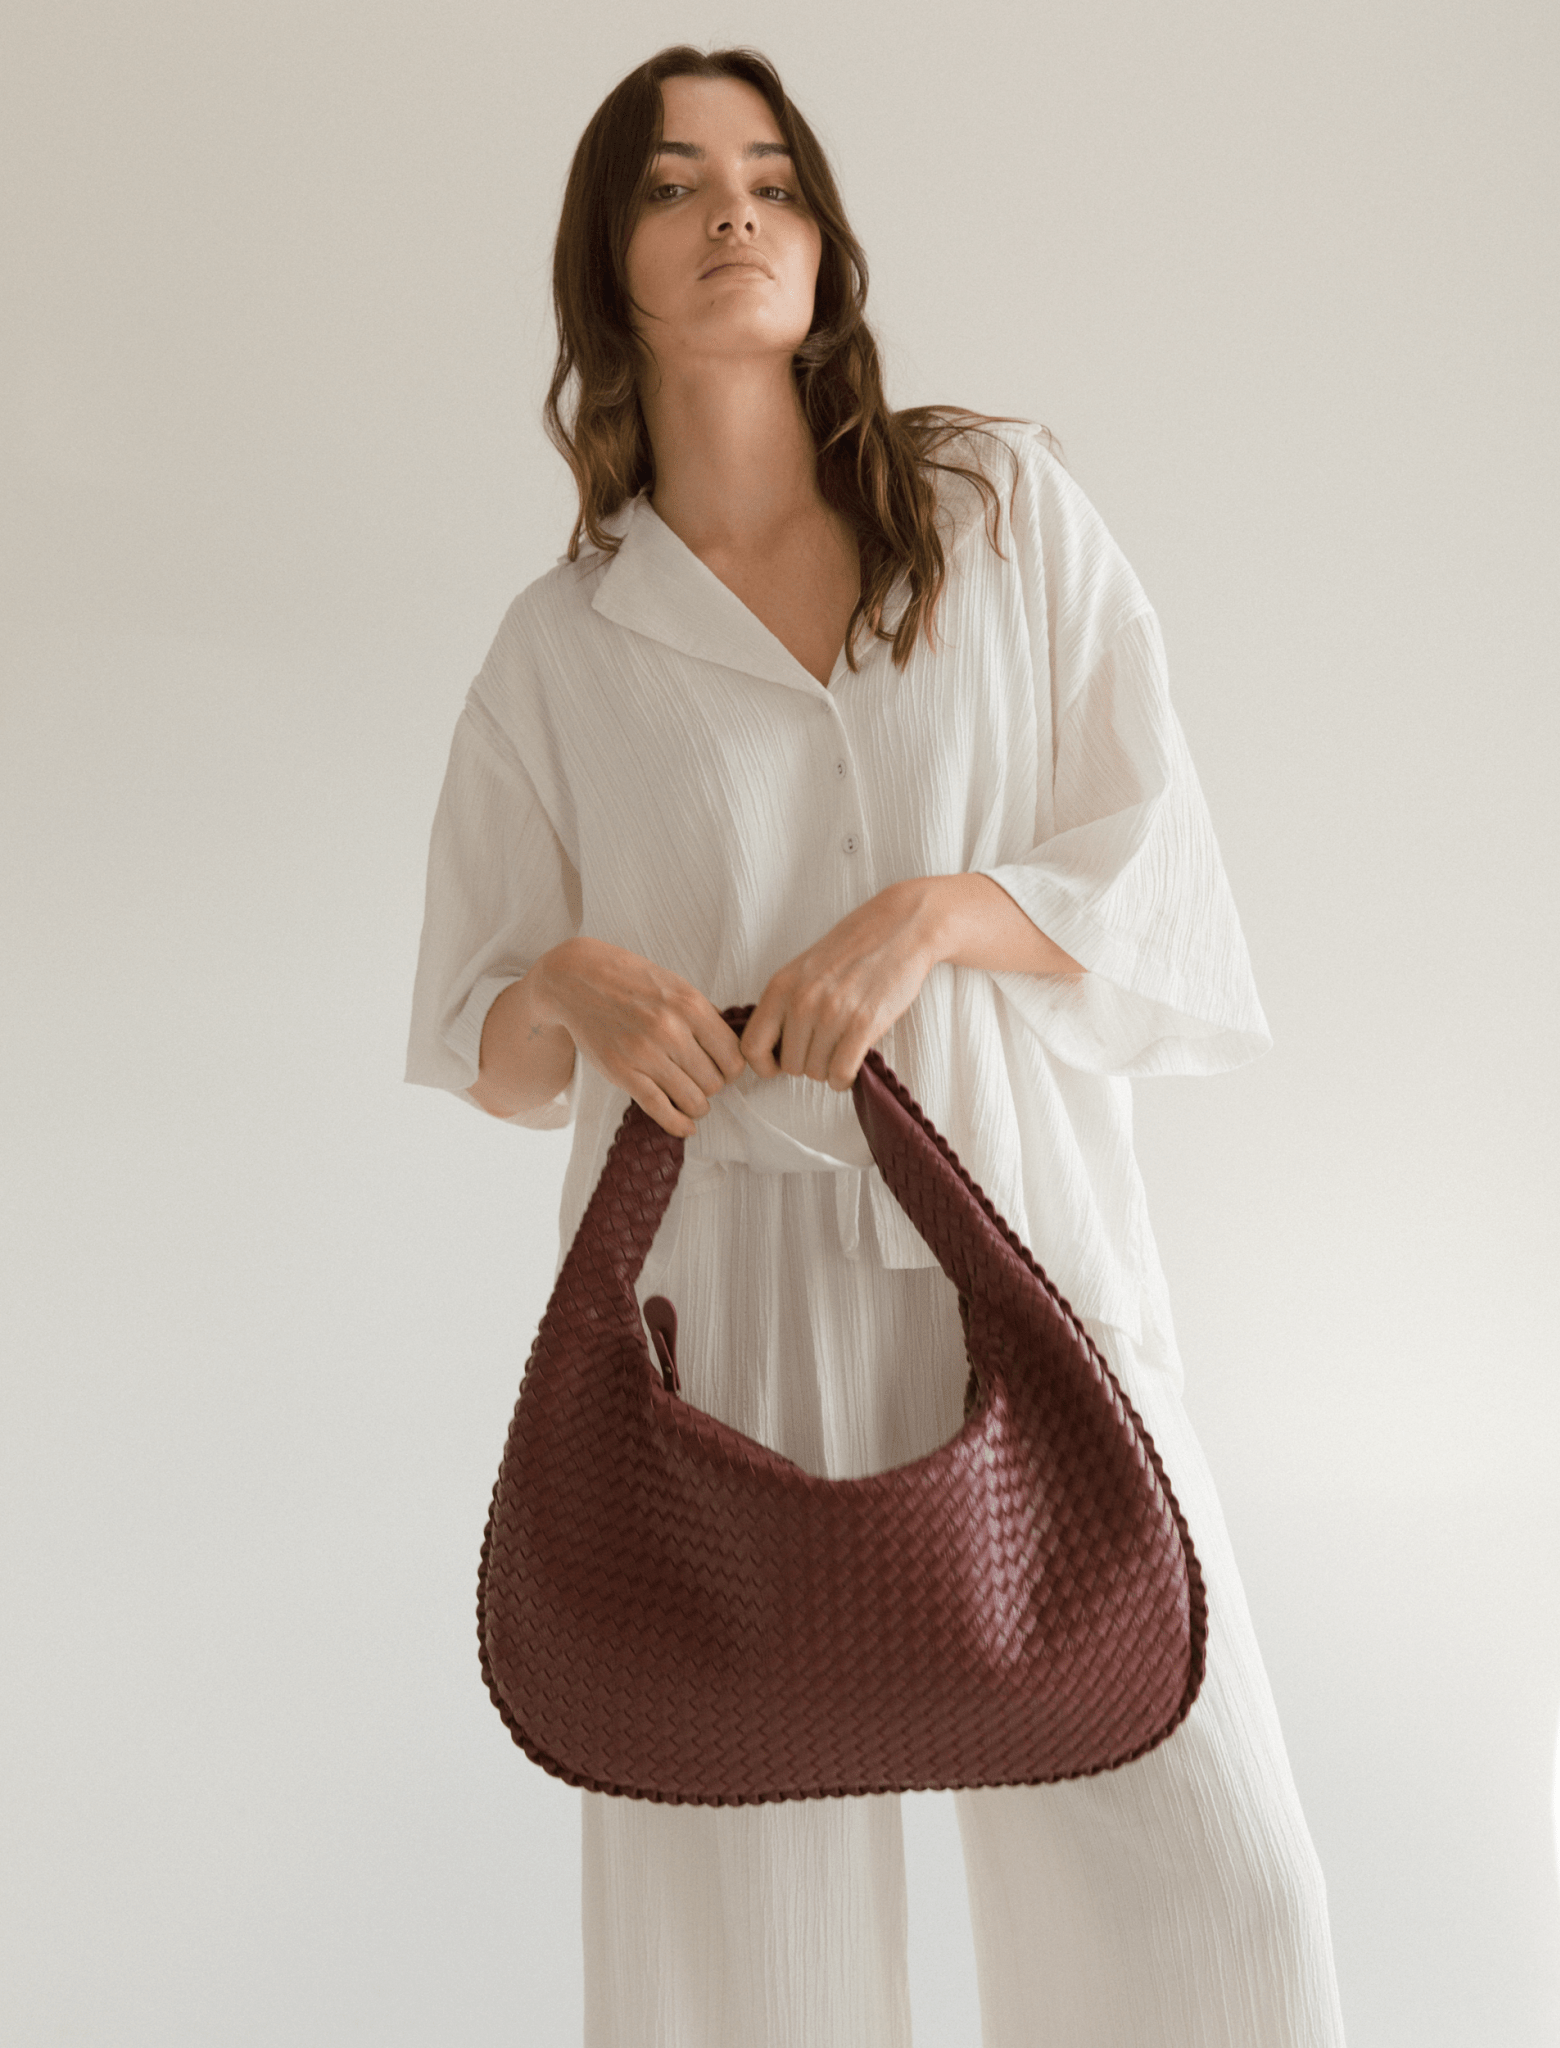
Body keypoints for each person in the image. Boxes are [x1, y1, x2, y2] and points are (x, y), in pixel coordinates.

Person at [406, 41, 1348, 2048]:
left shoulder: (998, 515)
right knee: (740, 1958)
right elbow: (490, 1049)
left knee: (1223, 1892)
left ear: (826, 246)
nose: (733, 212)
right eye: (674, 185)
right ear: (607, 268)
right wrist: (569, 983)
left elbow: (1157, 870)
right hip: (718, 1321)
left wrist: (931, 915)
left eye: (772, 178)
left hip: (1029, 1255)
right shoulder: (560, 647)